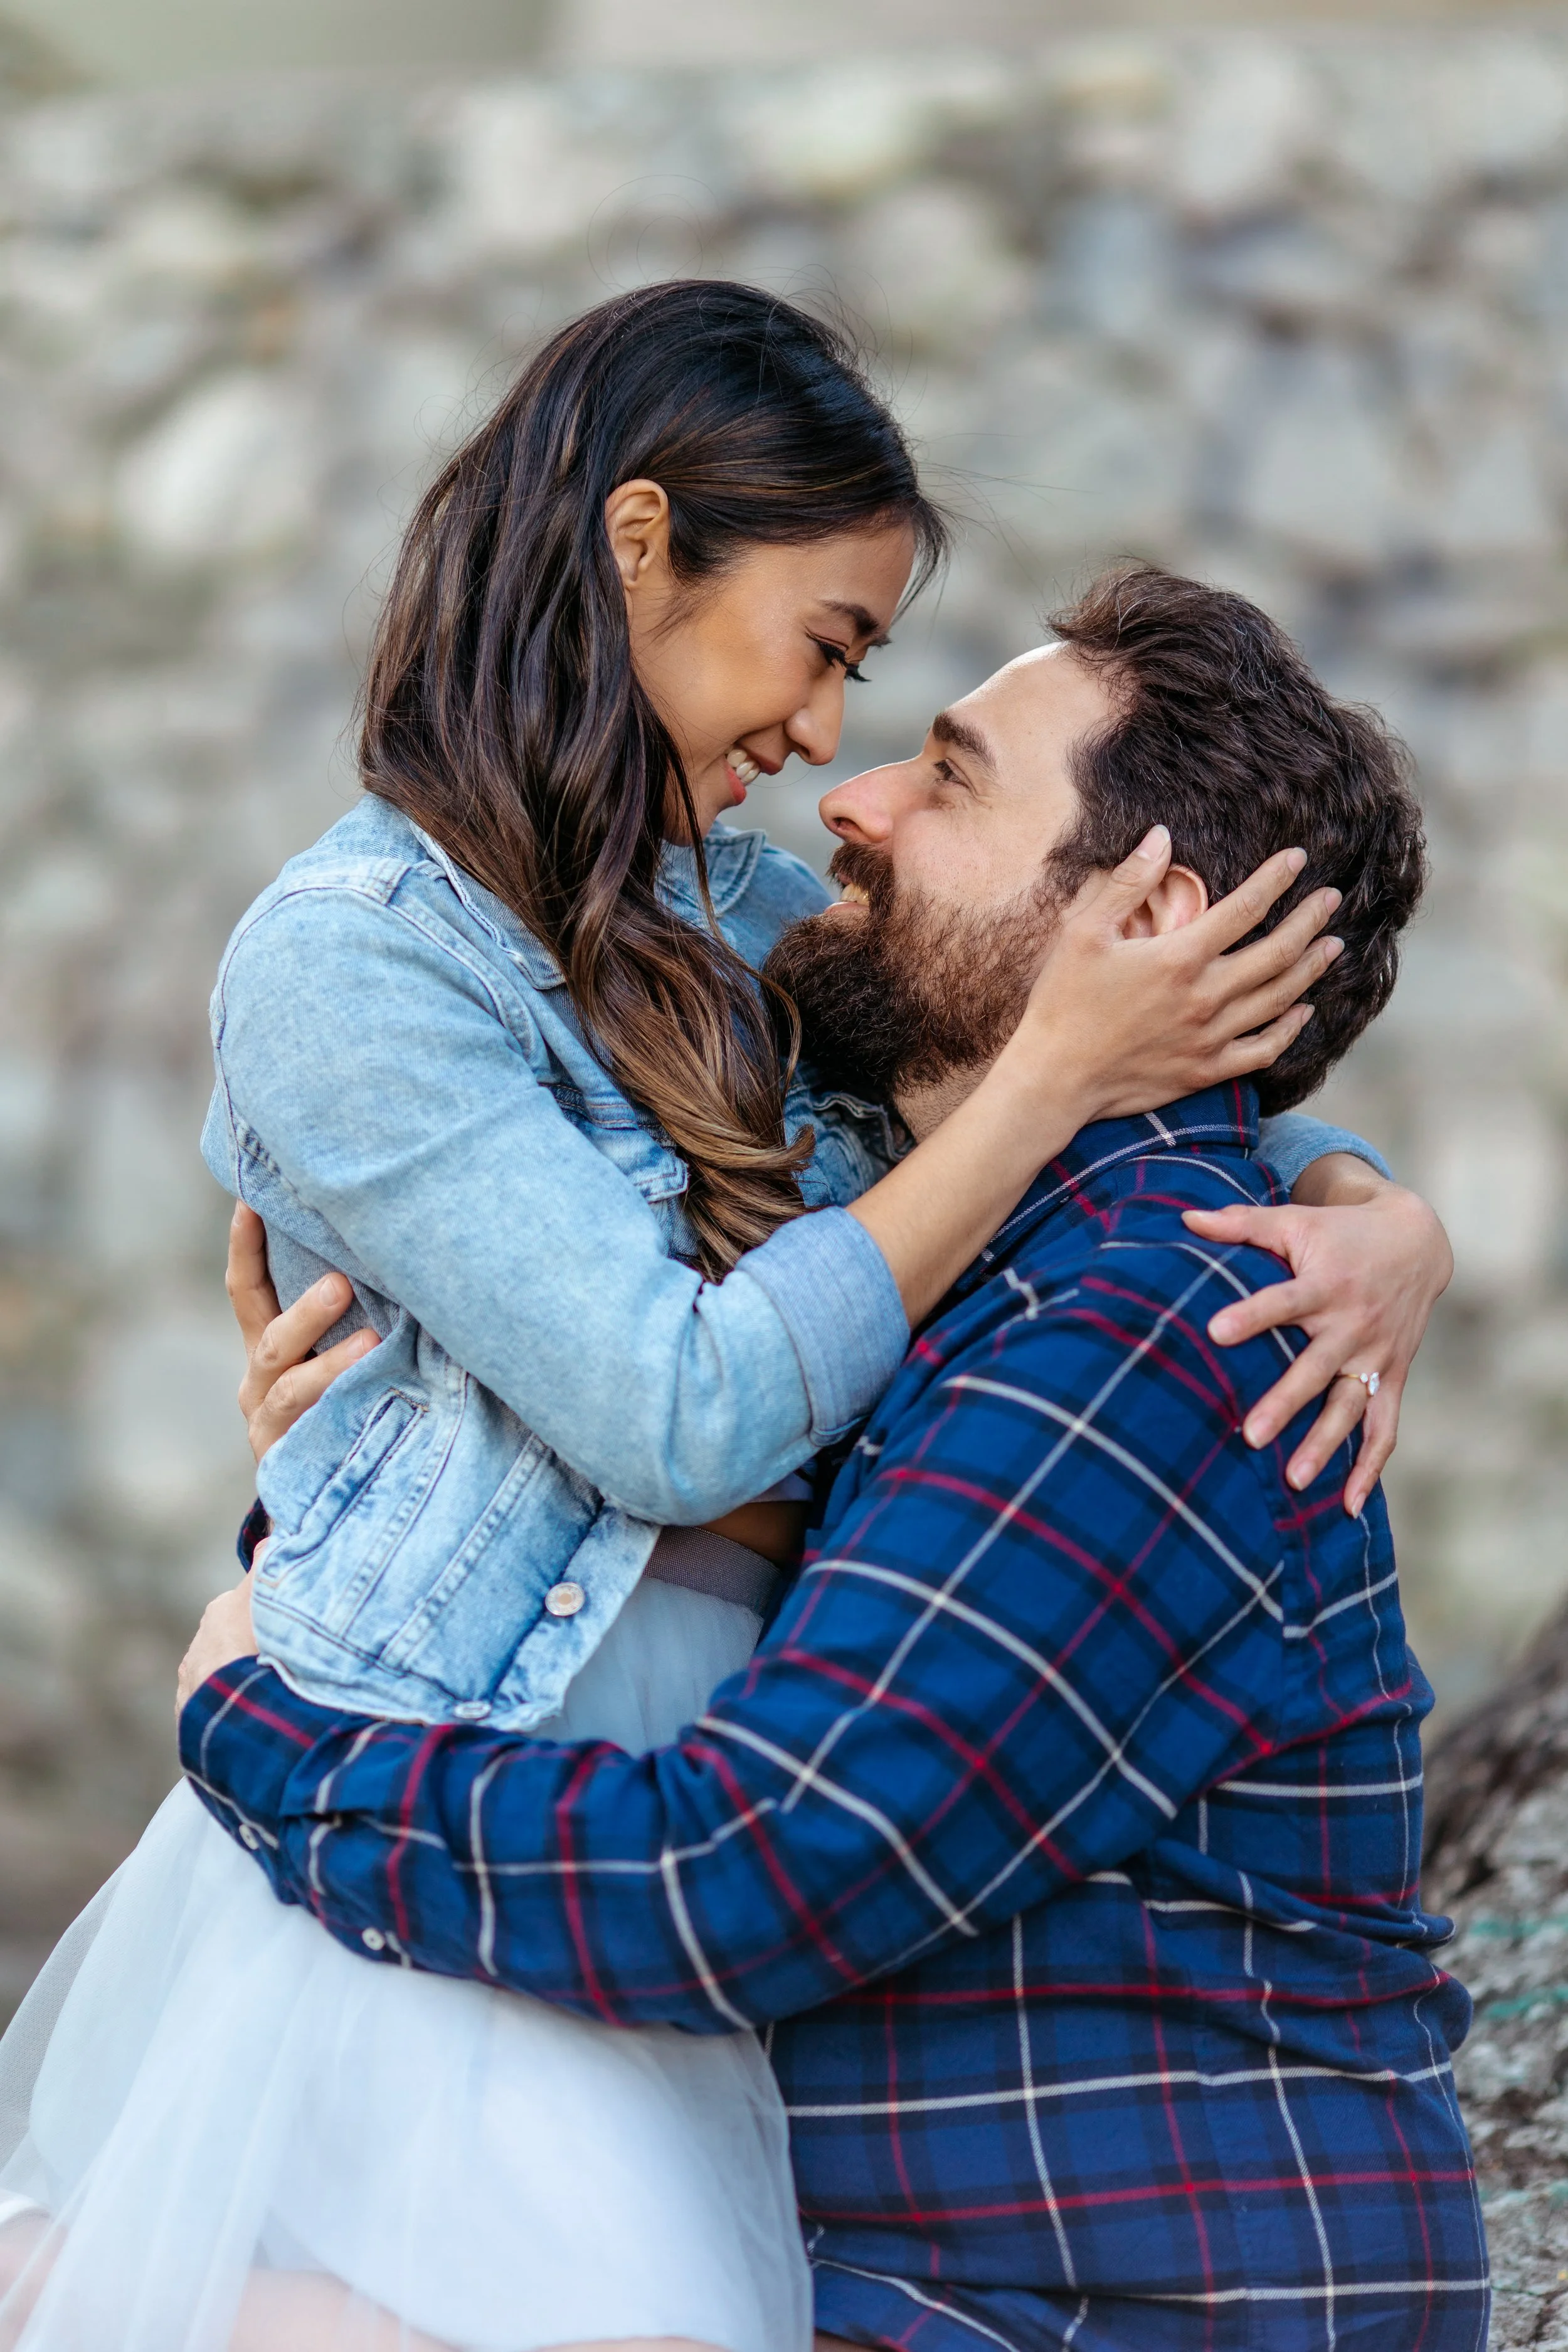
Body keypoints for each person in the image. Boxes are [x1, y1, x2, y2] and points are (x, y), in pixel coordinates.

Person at [0, 268, 1439, 2352]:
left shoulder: (745, 923)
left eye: (899, 714)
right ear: (640, 543)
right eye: (830, 646)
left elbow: (1057, 1027)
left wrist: (1366, 1205)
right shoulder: (355, 965)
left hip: (666, 1800)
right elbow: (670, 1409)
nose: (833, 752)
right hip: (487, 1748)